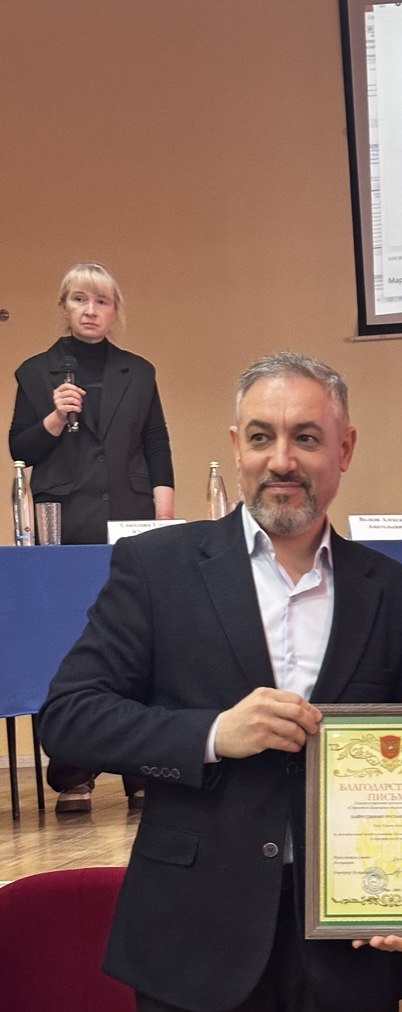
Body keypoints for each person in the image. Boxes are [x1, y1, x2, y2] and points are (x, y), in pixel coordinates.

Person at [40, 351, 402, 1012]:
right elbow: (70, 717)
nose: (282, 459)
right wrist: (212, 733)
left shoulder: (394, 592)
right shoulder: (158, 568)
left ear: (344, 449)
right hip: (192, 945)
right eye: (262, 437)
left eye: (306, 437)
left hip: (346, 949)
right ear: (235, 446)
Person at [10, 261, 175, 813]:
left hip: (129, 517)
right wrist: (55, 418)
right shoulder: (36, 372)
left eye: (101, 301)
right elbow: (21, 449)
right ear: (64, 306)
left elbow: (156, 442)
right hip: (65, 522)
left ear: (114, 310)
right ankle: (73, 771)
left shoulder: (139, 371)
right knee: (68, 645)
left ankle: (141, 768)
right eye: (80, 299)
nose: (90, 311)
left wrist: (163, 511)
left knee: (137, 641)